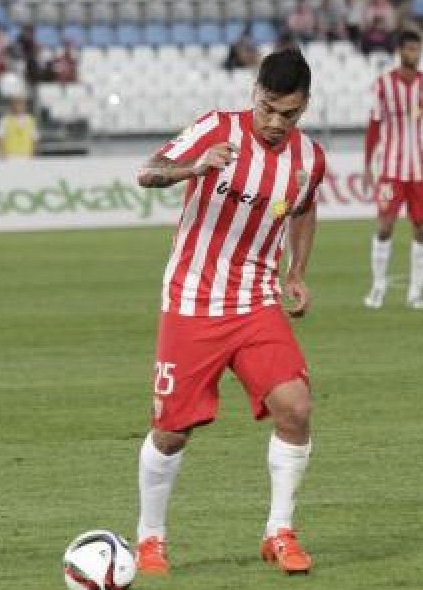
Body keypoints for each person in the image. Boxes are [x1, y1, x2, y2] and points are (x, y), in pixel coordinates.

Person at [131, 49, 326, 578]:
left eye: (288, 114)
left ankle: (279, 532)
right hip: (193, 300)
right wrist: (195, 167)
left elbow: (304, 211)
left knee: (297, 408)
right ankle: (150, 538)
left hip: (257, 301)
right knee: (173, 432)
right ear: (253, 93)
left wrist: (296, 272)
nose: (274, 123)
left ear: (304, 108)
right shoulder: (218, 128)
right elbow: (147, 171)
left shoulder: (309, 159)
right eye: (266, 108)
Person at [363, 30, 423, 310]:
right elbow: (374, 126)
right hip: (391, 169)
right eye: (410, 50)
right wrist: (368, 164)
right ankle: (378, 288)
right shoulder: (383, 85)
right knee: (385, 226)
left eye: (418, 50)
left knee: (422, 228)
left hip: (422, 170)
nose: (414, 55)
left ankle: (415, 293)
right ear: (400, 51)